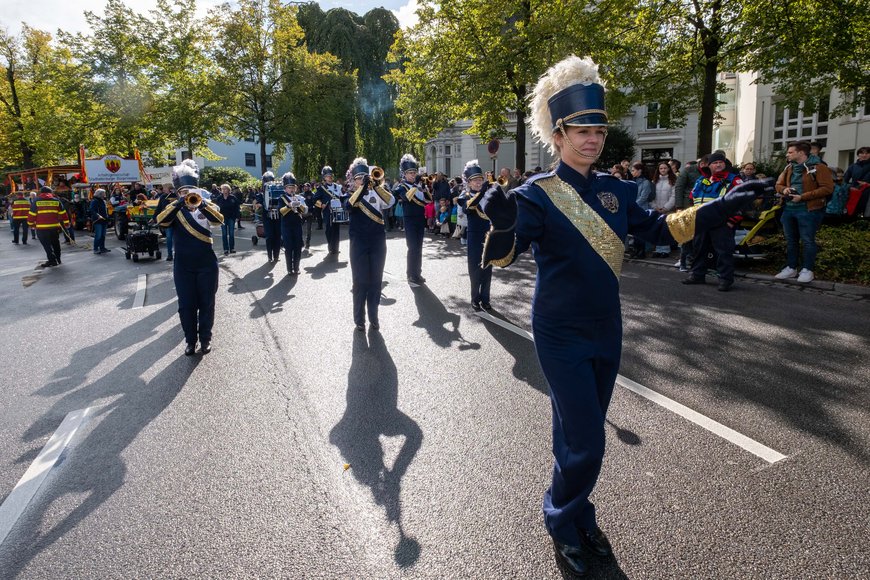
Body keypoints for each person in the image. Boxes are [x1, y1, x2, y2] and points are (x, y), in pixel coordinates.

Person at [478, 55, 767, 577]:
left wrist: (722, 207)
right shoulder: (537, 195)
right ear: (558, 133)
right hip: (559, 332)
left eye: (599, 129)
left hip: (607, 328)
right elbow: (501, 258)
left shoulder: (615, 189)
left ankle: (576, 509)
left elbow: (660, 229)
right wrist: (499, 226)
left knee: (576, 437)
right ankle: (562, 519)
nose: (592, 138)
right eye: (581, 129)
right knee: (587, 438)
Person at [156, 159, 224, 356]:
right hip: (183, 265)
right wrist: (178, 203)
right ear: (178, 192)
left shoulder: (208, 204)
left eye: (191, 190)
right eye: (183, 191)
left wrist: (201, 204)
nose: (188, 194)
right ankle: (190, 341)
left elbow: (219, 221)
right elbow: (160, 221)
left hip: (206, 264)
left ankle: (205, 339)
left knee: (207, 303)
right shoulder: (173, 207)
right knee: (186, 306)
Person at [773, 140, 834, 283]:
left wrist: (802, 197)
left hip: (809, 210)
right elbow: (778, 184)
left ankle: (807, 269)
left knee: (807, 240)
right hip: (789, 209)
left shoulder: (819, 167)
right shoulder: (789, 167)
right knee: (791, 241)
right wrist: (784, 189)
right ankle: (791, 268)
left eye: (790, 152)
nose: (787, 154)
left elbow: (827, 188)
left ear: (801, 153)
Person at [682, 151, 743, 291]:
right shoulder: (701, 180)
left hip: (722, 222)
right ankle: (697, 275)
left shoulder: (733, 180)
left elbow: (742, 201)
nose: (718, 164)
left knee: (723, 252)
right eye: (715, 163)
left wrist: (733, 220)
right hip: (702, 222)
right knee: (699, 249)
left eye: (721, 162)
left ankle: (725, 279)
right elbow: (692, 199)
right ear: (709, 166)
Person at [347, 158, 395, 331]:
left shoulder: (377, 192)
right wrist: (362, 188)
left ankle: (374, 316)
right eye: (359, 178)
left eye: (364, 177)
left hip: (377, 243)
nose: (363, 180)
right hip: (358, 244)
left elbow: (391, 201)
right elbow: (349, 205)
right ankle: (359, 319)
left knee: (376, 281)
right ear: (353, 181)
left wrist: (375, 186)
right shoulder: (351, 195)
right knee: (360, 282)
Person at [455, 160, 493, 311]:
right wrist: (483, 191)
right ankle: (475, 298)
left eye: (480, 179)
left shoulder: (488, 194)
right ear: (469, 183)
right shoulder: (464, 196)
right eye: (475, 180)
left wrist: (492, 190)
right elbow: (468, 208)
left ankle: (485, 298)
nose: (478, 182)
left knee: (488, 267)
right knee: (475, 268)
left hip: (489, 234)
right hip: (474, 235)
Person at [393, 154, 431, 285]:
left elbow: (429, 199)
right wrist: (415, 185)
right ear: (404, 174)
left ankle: (417, 273)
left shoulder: (418, 186)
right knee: (412, 247)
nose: (413, 175)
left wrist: (424, 188)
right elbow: (406, 198)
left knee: (419, 247)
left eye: (414, 172)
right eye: (410, 173)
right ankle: (410, 273)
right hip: (409, 219)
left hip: (420, 218)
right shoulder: (401, 187)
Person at [27, 186, 69, 268]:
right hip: (54, 227)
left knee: (47, 245)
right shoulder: (56, 201)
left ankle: (52, 261)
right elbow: (63, 213)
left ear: (41, 193)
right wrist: (66, 224)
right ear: (50, 192)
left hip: (41, 228)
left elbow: (32, 215)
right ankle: (58, 259)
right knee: (56, 243)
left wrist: (31, 224)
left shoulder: (36, 201)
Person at [314, 166, 347, 255]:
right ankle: (330, 245)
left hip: (337, 210)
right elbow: (314, 199)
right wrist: (321, 205)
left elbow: (342, 197)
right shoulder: (321, 188)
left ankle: (335, 248)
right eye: (328, 176)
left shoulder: (338, 187)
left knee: (336, 229)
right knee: (329, 229)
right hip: (328, 211)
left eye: (331, 175)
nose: (330, 177)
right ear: (324, 177)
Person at [279, 172, 307, 275]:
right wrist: (289, 206)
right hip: (286, 225)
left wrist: (299, 205)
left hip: (297, 225)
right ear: (285, 188)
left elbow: (305, 211)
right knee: (289, 247)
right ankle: (289, 268)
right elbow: (281, 211)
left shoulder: (299, 197)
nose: (291, 189)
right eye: (289, 187)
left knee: (297, 246)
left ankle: (296, 267)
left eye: (293, 187)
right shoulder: (281, 198)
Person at [650, 161, 677, 257]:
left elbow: (674, 196)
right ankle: (658, 249)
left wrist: (666, 207)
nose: (663, 170)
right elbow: (651, 196)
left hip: (668, 210)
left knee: (665, 230)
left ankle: (665, 250)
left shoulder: (673, 180)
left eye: (665, 168)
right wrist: (655, 207)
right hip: (657, 209)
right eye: (661, 168)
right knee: (657, 229)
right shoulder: (654, 181)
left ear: (668, 169)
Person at [628, 162, 652, 258]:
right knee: (634, 232)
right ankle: (636, 250)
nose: (632, 172)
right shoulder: (633, 181)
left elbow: (643, 197)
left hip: (642, 209)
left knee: (641, 232)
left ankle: (641, 252)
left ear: (639, 171)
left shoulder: (646, 182)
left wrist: (633, 206)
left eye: (633, 170)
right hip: (634, 208)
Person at [259, 171, 283, 262]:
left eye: (270, 180)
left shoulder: (278, 190)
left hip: (277, 216)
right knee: (269, 236)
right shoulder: (261, 193)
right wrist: (258, 204)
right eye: (266, 181)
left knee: (277, 235)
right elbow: (258, 202)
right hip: (267, 217)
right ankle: (269, 256)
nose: (268, 182)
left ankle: (276, 256)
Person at [214, 183, 240, 255]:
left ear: (229, 190)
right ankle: (225, 249)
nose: (224, 190)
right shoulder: (219, 198)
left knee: (231, 234)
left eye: (225, 189)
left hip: (231, 217)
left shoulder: (233, 198)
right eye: (223, 189)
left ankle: (232, 248)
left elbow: (237, 208)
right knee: (224, 234)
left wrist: (237, 217)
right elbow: (217, 208)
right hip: (222, 218)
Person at [156, 186, 179, 261]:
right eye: (164, 189)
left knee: (178, 238)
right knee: (169, 238)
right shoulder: (163, 197)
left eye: (165, 188)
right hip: (168, 220)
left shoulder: (177, 196)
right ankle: (170, 255)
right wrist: (154, 218)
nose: (164, 190)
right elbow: (159, 208)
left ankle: (178, 254)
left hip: (178, 219)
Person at [90, 188, 110, 254]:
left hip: (104, 220)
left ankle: (102, 248)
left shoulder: (103, 201)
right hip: (98, 220)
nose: (104, 195)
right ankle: (95, 249)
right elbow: (92, 210)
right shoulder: (94, 201)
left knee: (103, 235)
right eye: (103, 193)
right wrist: (98, 215)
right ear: (100, 194)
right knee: (98, 235)